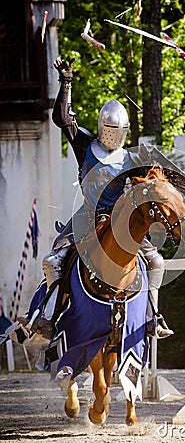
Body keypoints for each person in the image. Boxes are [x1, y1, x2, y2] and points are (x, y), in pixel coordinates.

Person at [18, 57, 174, 340]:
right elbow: (62, 119)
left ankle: (152, 317)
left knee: (156, 262)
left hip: (120, 220)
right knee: (53, 260)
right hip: (87, 216)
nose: (114, 136)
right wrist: (66, 83)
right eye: (110, 131)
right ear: (102, 127)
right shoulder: (85, 144)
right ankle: (48, 314)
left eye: (119, 132)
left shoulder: (131, 158)